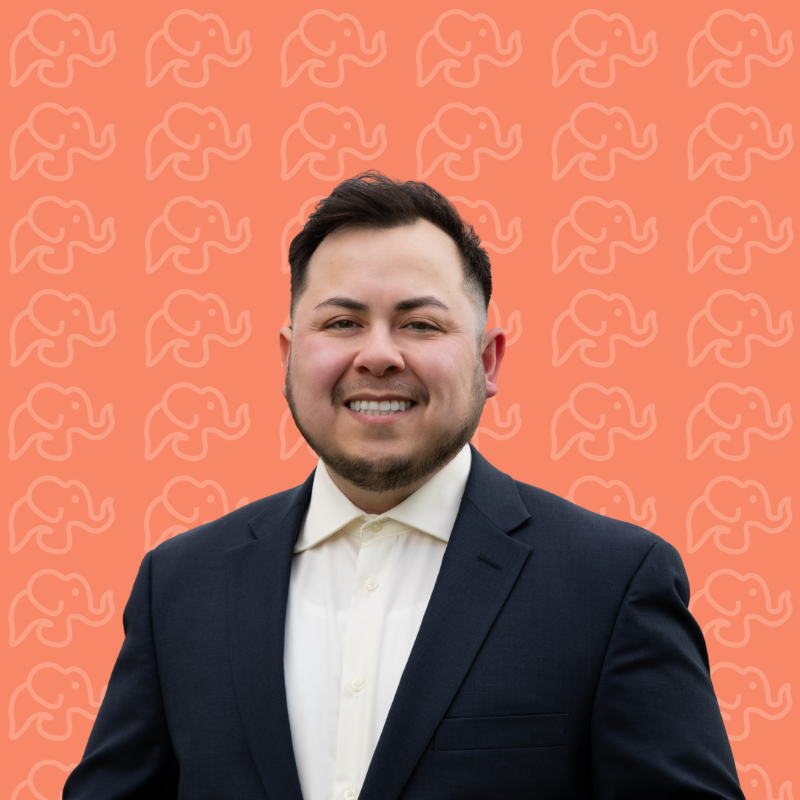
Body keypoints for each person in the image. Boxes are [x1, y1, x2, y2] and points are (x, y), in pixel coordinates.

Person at [64, 172, 745, 800]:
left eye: (420, 324)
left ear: (487, 358)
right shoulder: (179, 586)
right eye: (342, 323)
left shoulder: (613, 583)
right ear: (289, 356)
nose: (380, 354)